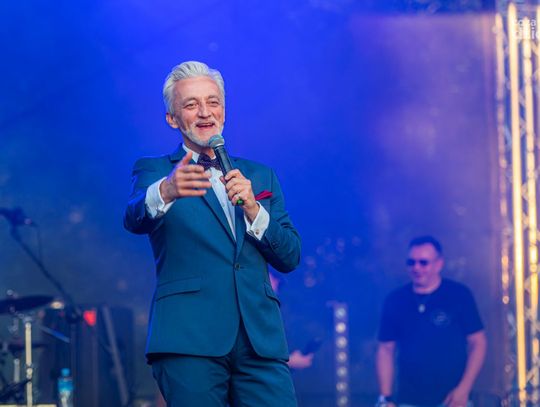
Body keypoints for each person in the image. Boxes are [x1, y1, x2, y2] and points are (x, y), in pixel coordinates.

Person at [124, 61, 301, 407]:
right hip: (188, 338)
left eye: (213, 102)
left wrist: (254, 209)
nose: (205, 112)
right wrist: (166, 190)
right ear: (172, 118)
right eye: (191, 104)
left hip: (259, 340)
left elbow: (290, 256)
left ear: (224, 110)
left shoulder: (260, 175)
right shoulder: (155, 170)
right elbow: (133, 217)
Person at [376, 236, 486, 407]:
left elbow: (478, 343)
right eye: (411, 262)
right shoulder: (395, 300)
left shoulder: (459, 295)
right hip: (408, 399)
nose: (416, 268)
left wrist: (464, 389)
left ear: (439, 264)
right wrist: (385, 398)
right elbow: (385, 349)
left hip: (453, 399)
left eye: (423, 263)